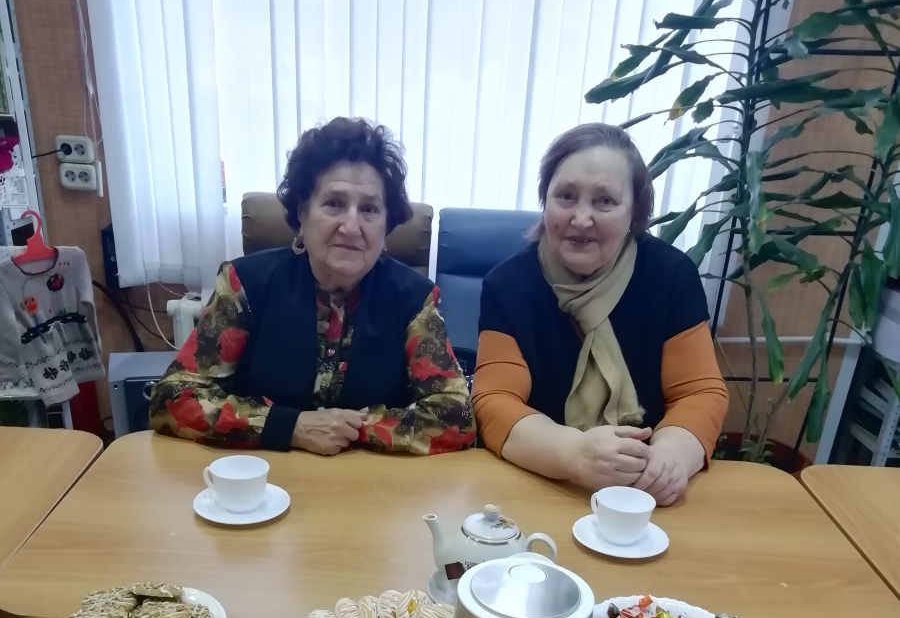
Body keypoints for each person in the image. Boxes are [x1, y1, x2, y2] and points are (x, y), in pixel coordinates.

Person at [150, 117, 475, 456]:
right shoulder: (244, 285)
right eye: (334, 203)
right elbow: (175, 398)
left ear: (386, 228)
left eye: (369, 209)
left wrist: (349, 428)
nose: (351, 226)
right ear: (302, 215)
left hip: (370, 481)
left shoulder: (415, 300)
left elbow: (457, 417)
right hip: (261, 476)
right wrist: (290, 426)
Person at [472, 123, 728, 505]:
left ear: (635, 213)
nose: (581, 218)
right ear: (545, 200)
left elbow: (699, 392)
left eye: (604, 201)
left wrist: (671, 457)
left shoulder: (672, 276)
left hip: (644, 493)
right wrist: (572, 453)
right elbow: (495, 399)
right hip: (542, 483)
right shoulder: (506, 285)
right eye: (566, 196)